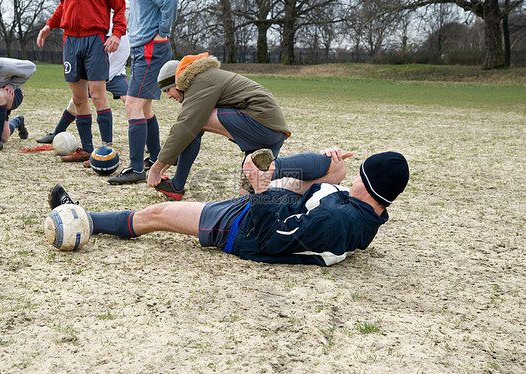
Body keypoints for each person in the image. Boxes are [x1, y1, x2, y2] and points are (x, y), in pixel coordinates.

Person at [48, 148, 410, 266]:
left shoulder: (337, 219)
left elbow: (271, 240)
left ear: (367, 184)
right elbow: (317, 209)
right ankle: (264, 171)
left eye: (358, 174)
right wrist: (332, 168)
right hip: (275, 207)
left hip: (245, 229)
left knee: (154, 217)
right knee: (329, 167)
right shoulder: (366, 211)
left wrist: (262, 191)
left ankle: (84, 218)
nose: (353, 178)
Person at [147, 52, 293, 201]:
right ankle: (269, 191)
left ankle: (177, 186)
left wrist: (156, 168)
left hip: (261, 124)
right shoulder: (206, 76)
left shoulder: (200, 81)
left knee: (195, 123)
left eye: (167, 90)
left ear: (178, 83)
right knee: (247, 195)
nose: (168, 96)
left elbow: (184, 127)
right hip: (272, 130)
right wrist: (167, 162)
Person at [37, 0, 127, 163]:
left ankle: (107, 151)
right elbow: (63, 7)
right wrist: (49, 26)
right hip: (70, 41)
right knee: (78, 99)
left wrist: (117, 33)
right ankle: (87, 149)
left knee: (98, 96)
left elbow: (120, 6)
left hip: (95, 40)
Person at [107, 0, 178, 185]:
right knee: (144, 108)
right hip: (141, 46)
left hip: (151, 46)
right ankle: (155, 157)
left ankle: (136, 168)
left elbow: (169, 3)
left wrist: (163, 32)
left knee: (133, 105)